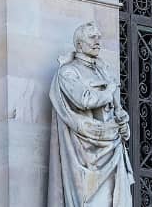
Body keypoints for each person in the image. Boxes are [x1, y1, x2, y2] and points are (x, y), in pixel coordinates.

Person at [47, 21, 134, 207]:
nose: (98, 41)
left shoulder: (104, 71)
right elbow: (84, 100)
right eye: (92, 37)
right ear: (79, 44)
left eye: (99, 37)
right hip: (85, 151)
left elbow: (115, 110)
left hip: (112, 145)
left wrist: (123, 126)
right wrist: (109, 91)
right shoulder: (68, 72)